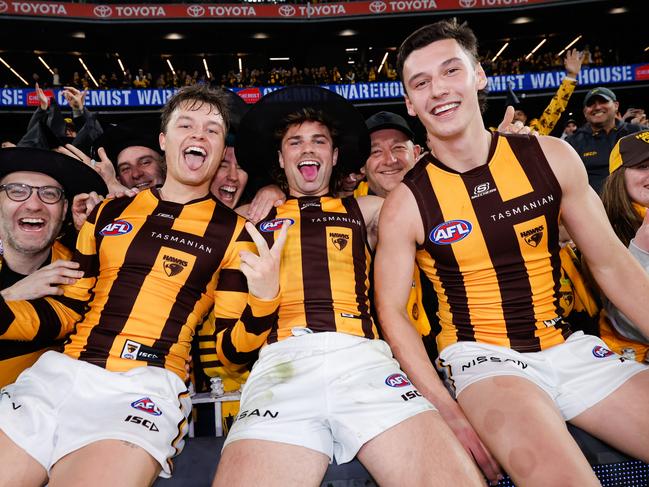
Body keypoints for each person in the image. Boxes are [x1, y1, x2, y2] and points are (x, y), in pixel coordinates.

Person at [376, 19, 649, 486]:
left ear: (479, 75)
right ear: (409, 102)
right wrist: (448, 412)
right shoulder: (407, 202)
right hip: (484, 362)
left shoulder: (550, 156)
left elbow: (612, 264)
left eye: (450, 71)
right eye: (421, 83)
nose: (438, 90)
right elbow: (392, 313)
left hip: (569, 349)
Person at [0, 84, 284, 486]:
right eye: (187, 124)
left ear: (221, 151)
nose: (199, 135)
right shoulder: (109, 212)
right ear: (165, 140)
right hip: (61, 375)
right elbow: (69, 310)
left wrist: (265, 298)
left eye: (212, 129)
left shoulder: (237, 234)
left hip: (142, 391)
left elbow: (233, 351)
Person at [210, 85, 488, 486]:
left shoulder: (367, 210)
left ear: (335, 156)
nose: (308, 150)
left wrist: (477, 159)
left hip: (364, 361)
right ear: (280, 157)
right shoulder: (245, 224)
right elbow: (229, 354)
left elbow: (440, 210)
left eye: (319, 141)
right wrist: (263, 301)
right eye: (295, 142)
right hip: (281, 368)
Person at [0, 147, 107, 387]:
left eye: (49, 194)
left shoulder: (82, 273)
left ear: (65, 210)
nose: (34, 205)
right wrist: (11, 294)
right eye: (17, 191)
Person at [599, 130, 649, 361]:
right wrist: (641, 251)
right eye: (643, 165)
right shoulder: (601, 231)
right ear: (619, 176)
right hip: (631, 362)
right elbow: (627, 323)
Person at [566, 86, 645, 193]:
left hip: (637, 206)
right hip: (594, 207)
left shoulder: (638, 133)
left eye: (603, 101)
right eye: (590, 104)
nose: (597, 107)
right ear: (585, 112)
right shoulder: (572, 143)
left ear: (616, 105)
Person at [511, 48, 584, 136]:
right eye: (511, 114)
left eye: (519, 114)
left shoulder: (537, 130)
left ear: (526, 118)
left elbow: (555, 108)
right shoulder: (497, 133)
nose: (515, 117)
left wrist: (571, 76)